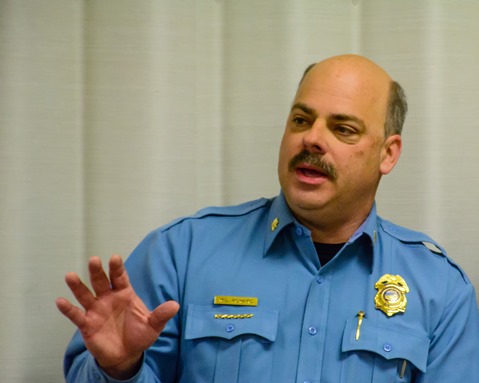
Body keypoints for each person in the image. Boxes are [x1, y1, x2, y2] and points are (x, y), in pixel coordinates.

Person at [56, 54, 479, 382]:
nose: (312, 137)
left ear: (388, 153)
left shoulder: (440, 289)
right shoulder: (181, 253)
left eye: (342, 128)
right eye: (301, 119)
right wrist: (120, 369)